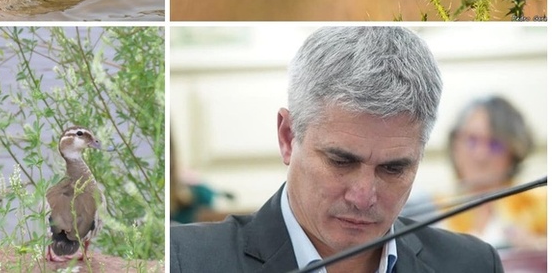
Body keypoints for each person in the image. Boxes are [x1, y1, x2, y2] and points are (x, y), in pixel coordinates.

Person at [170, 27, 504, 273]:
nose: (363, 196)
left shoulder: (473, 265)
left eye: (393, 169)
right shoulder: (182, 259)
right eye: (341, 161)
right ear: (288, 137)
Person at [442, 96, 546, 249]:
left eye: (494, 144)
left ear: (514, 152)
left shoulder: (540, 206)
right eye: (472, 140)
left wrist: (539, 248)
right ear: (455, 146)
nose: (481, 155)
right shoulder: (434, 209)